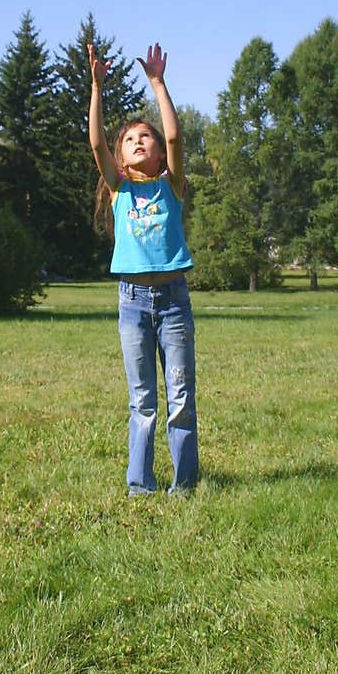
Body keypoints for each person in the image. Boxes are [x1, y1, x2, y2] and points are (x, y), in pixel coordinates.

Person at [88, 40, 199, 497]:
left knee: (180, 400)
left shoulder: (171, 188)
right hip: (132, 304)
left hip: (173, 301)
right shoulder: (119, 191)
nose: (138, 141)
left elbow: (174, 136)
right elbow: (95, 140)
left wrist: (158, 83)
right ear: (121, 155)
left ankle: (186, 485)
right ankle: (140, 486)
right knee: (143, 402)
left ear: (156, 152)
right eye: (129, 138)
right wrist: (97, 88)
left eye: (144, 137)